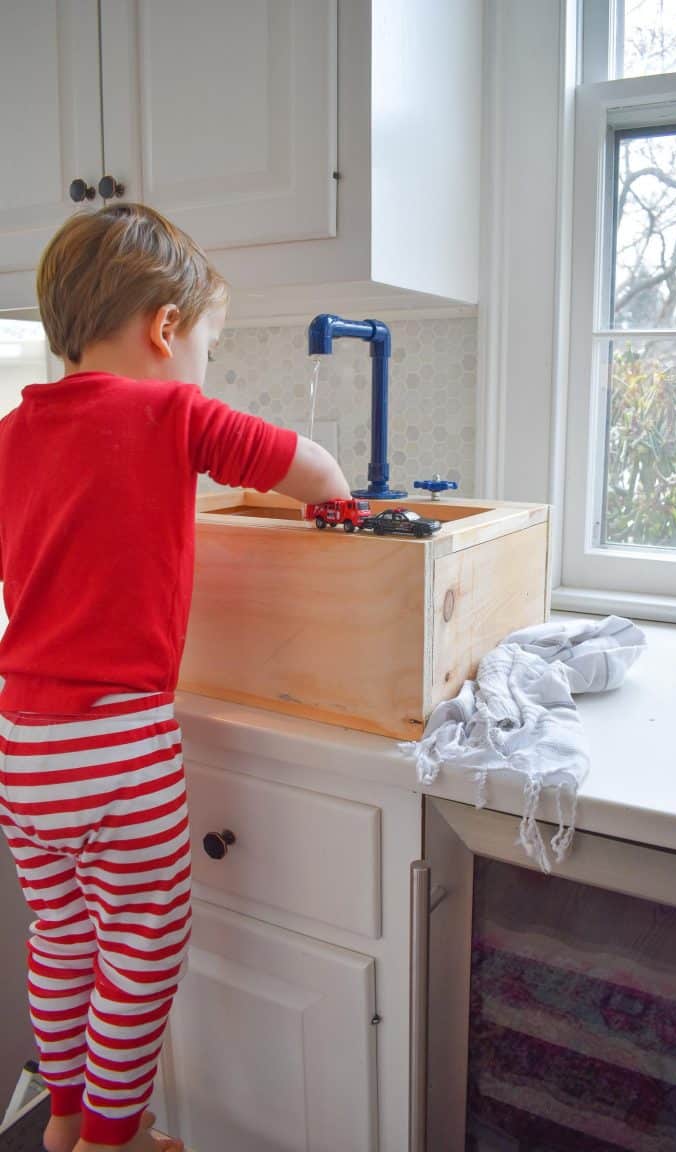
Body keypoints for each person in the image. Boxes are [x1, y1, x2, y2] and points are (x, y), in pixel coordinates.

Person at [0, 203, 351, 1152]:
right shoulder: (173, 413)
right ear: (165, 327)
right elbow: (310, 468)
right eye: (207, 346)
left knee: (61, 936)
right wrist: (342, 503)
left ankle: (63, 1122)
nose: (204, 368)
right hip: (119, 744)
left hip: (23, 747)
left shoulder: (10, 433)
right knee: (143, 948)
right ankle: (112, 1142)